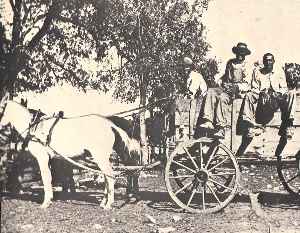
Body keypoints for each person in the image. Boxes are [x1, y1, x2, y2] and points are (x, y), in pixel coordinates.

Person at [236, 53, 297, 156]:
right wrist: (262, 93)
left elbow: (284, 88)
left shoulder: (279, 72)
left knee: (291, 94)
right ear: (263, 62)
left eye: (270, 60)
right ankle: (248, 123)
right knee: (249, 95)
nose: (268, 62)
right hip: (262, 102)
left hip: (275, 100)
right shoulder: (258, 72)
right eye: (266, 60)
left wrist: (277, 93)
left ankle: (288, 123)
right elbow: (254, 88)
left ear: (273, 61)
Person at [198, 42, 252, 138]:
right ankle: (208, 120)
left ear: (245, 54)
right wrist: (219, 81)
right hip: (226, 87)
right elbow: (225, 76)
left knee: (222, 98)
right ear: (236, 53)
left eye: (242, 53)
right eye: (239, 53)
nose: (240, 55)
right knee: (211, 91)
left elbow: (248, 84)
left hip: (238, 92)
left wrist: (237, 87)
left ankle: (221, 127)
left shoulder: (247, 66)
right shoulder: (230, 62)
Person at [183, 57, 208, 136]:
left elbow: (193, 91)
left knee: (191, 106)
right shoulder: (187, 76)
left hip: (200, 99)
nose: (185, 69)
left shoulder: (195, 75)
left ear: (190, 67)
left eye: (187, 67)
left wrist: (190, 94)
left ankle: (191, 130)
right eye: (184, 67)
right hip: (194, 99)